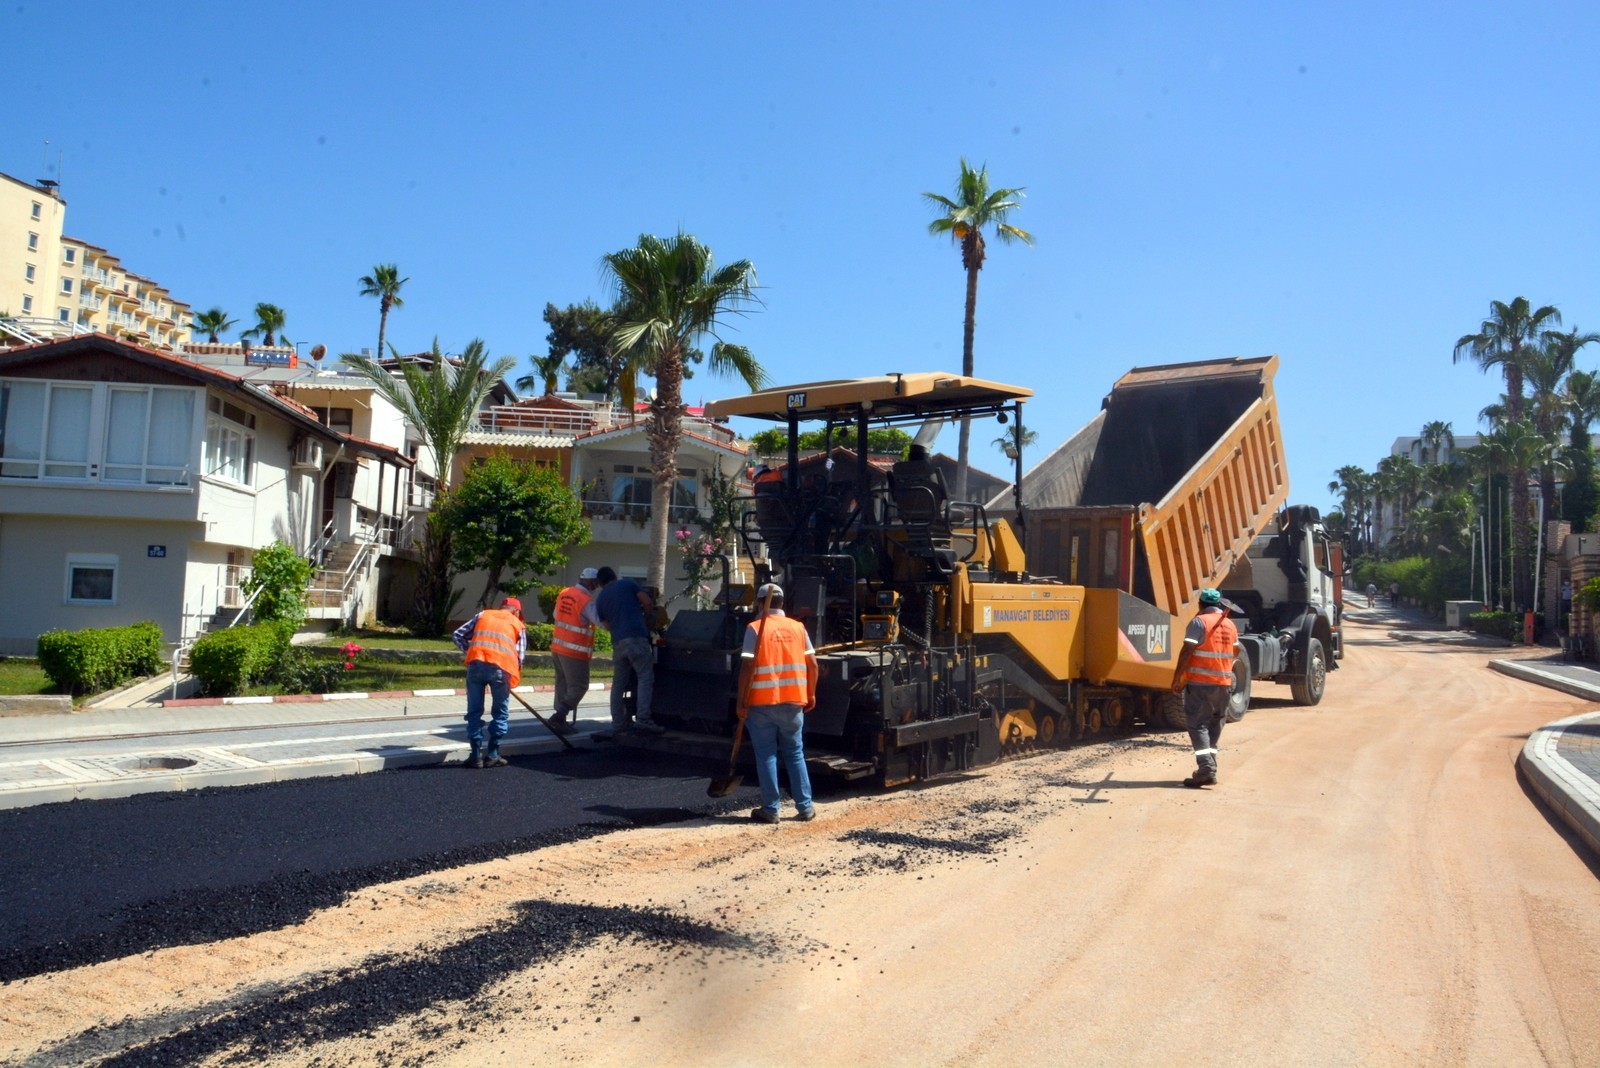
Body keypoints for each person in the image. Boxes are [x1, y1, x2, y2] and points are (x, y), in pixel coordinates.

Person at [736, 582, 819, 823]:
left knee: (767, 756)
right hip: (794, 703)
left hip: (761, 704)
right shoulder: (798, 628)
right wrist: (811, 693)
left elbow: (747, 666)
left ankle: (771, 810)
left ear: (760, 603)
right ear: (782, 604)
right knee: (795, 753)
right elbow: (812, 664)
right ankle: (805, 807)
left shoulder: (755, 628)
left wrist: (741, 701)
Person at [1170, 588, 1238, 789]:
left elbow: (1187, 651)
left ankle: (1206, 767)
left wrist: (1176, 678)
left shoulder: (1199, 622)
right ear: (1219, 605)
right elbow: (1236, 650)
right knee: (1214, 725)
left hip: (1200, 684)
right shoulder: (1230, 625)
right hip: (1224, 685)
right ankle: (1210, 767)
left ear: (1200, 604)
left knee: (1197, 725)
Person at [452, 595, 527, 768]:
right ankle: (493, 754)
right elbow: (520, 657)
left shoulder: (483, 615)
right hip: (501, 670)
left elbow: (457, 635)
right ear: (516, 611)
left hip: (476, 666)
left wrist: (471, 651)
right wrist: (511, 678)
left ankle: (475, 756)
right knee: (500, 712)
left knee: (474, 711)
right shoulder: (518, 625)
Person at [591, 566, 665, 738]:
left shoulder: (600, 599)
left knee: (619, 684)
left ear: (600, 583)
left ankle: (617, 724)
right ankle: (643, 719)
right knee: (645, 677)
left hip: (618, 642)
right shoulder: (627, 584)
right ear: (614, 576)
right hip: (637, 638)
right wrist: (647, 619)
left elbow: (607, 625)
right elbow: (647, 602)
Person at [547, 568, 601, 736]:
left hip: (558, 647)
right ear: (592, 582)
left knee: (562, 684)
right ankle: (559, 716)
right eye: (596, 583)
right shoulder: (586, 600)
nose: (597, 586)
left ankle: (559, 720)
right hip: (574, 651)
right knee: (579, 686)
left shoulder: (565, 593)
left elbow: (556, 614)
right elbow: (599, 621)